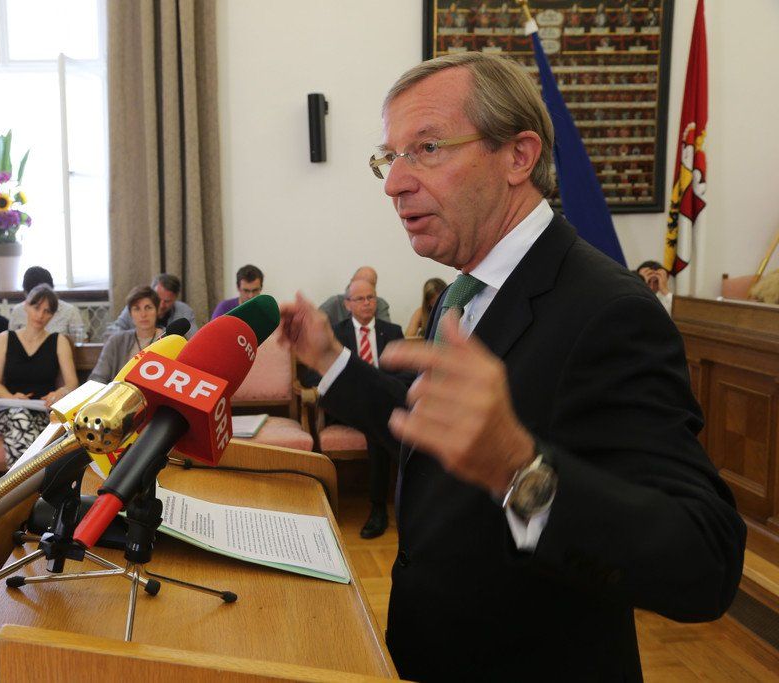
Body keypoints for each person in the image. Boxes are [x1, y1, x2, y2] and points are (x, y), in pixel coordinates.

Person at [279, 52, 744, 680]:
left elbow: (705, 562)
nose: (394, 183)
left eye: (427, 149)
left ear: (519, 157)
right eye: (390, 158)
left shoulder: (611, 310)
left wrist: (517, 469)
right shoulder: (464, 289)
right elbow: (433, 428)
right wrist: (329, 359)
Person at [302, 278, 412, 539]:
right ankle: (382, 508)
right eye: (360, 299)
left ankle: (386, 506)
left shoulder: (392, 331)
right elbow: (310, 375)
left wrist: (378, 389)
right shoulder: (335, 334)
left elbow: (407, 374)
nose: (367, 303)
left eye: (371, 297)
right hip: (347, 408)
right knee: (379, 421)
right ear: (347, 304)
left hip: (383, 408)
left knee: (379, 421)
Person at [0, 284, 78, 468]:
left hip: (42, 411)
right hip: (6, 410)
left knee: (23, 426)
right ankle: (30, 482)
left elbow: (72, 383)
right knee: (20, 417)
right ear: (26, 306)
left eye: (47, 311)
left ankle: (15, 484)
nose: (40, 315)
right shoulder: (5, 338)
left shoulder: (59, 341)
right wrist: (12, 398)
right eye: (36, 308)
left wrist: (59, 392)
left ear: (52, 315)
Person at [90, 286, 164, 383]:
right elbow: (97, 378)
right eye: (137, 309)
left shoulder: (168, 339)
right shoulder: (116, 341)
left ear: (157, 310)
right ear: (130, 313)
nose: (143, 314)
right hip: (121, 391)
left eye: (148, 308)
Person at [103, 273, 197, 340]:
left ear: (175, 298)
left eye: (167, 301)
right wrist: (138, 337)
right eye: (158, 299)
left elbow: (193, 339)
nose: (161, 305)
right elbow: (111, 333)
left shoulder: (184, 311)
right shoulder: (137, 307)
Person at [8, 266, 87, 341]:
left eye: (47, 311)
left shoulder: (69, 311)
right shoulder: (17, 311)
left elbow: (82, 341)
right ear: (26, 295)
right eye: (35, 306)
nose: (40, 315)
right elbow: (11, 342)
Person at [318, 266, 392, 325]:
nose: (366, 302)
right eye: (359, 284)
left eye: (369, 285)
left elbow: (388, 333)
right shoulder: (334, 304)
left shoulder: (379, 304)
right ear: (351, 282)